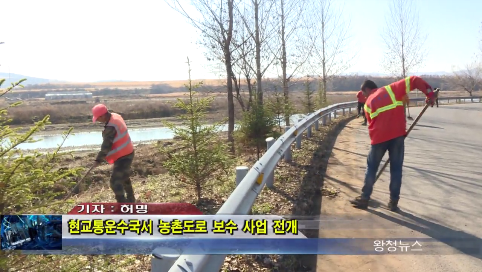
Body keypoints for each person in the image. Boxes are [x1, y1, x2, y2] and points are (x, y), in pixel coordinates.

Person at [350, 76, 437, 211]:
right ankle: (393, 202)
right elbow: (414, 80)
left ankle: (364, 198)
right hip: (397, 136)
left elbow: (370, 124)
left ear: (367, 90)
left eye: (364, 94)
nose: (365, 96)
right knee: (396, 169)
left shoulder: (367, 104)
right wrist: (430, 94)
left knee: (371, 168)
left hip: (378, 139)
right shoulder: (392, 89)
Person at [91, 104, 136, 203]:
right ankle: (131, 200)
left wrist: (98, 160)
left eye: (98, 118)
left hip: (123, 156)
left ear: (103, 116)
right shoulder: (115, 116)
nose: (98, 120)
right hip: (128, 151)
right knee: (124, 177)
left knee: (115, 182)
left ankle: (123, 205)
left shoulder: (110, 128)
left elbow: (106, 146)